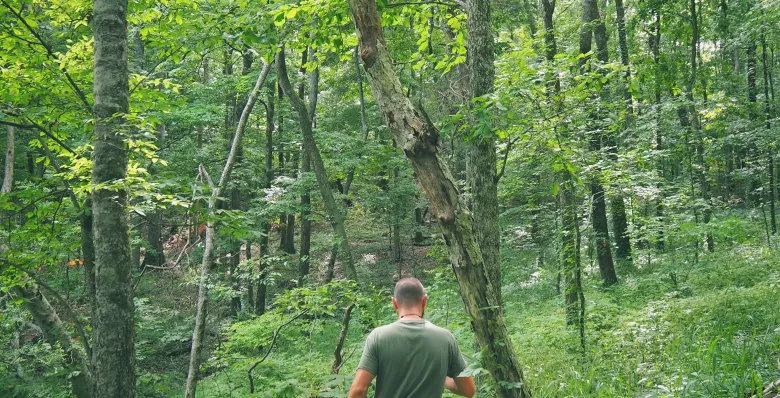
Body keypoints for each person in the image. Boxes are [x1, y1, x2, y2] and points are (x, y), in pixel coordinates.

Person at [347, 277, 476, 398]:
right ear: (424, 301)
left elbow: (358, 391)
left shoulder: (378, 336)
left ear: (394, 303)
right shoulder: (445, 338)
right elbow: (468, 390)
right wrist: (444, 379)